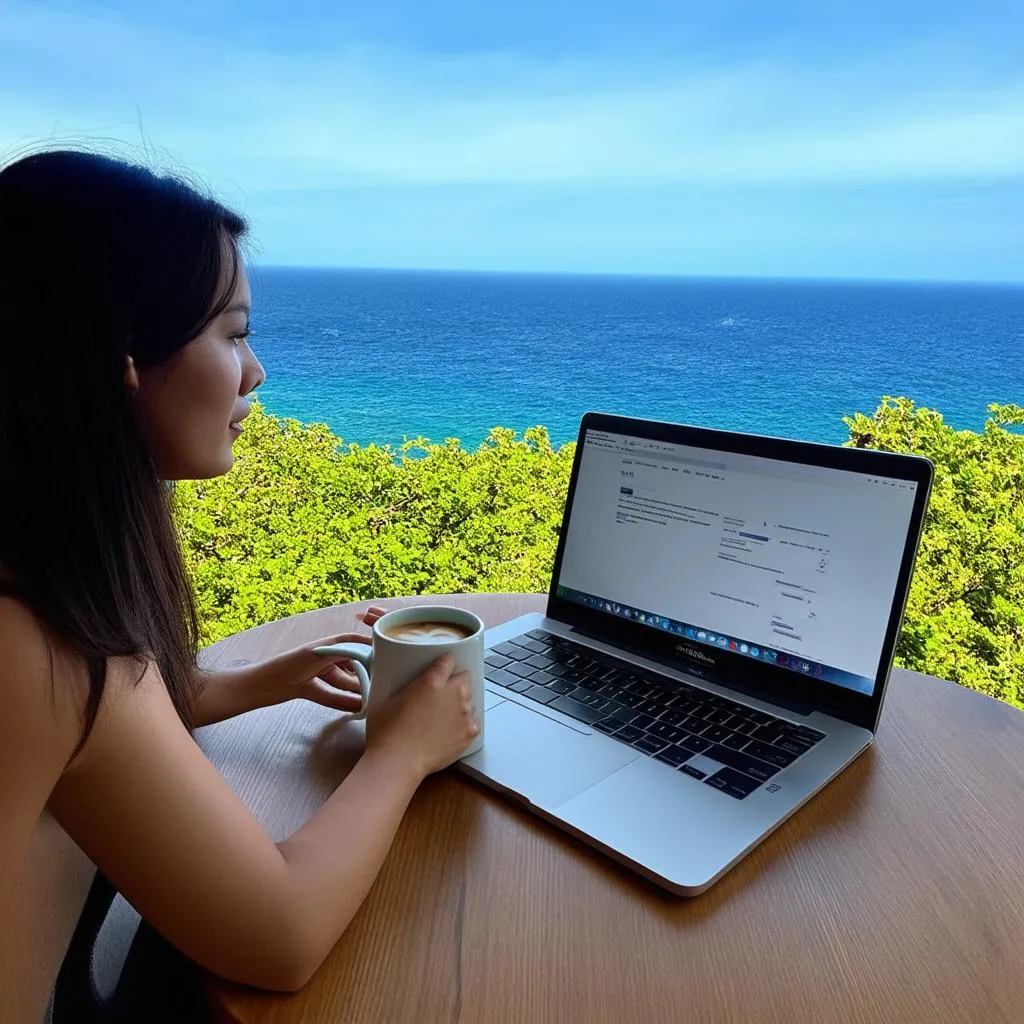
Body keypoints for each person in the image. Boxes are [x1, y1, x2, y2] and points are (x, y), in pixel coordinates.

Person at [0, 149, 480, 1023]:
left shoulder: (33, 571)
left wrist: (271, 679)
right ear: (125, 357)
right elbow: (282, 934)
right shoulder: (36, 642)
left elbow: (113, 735)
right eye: (232, 333)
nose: (254, 372)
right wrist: (403, 751)